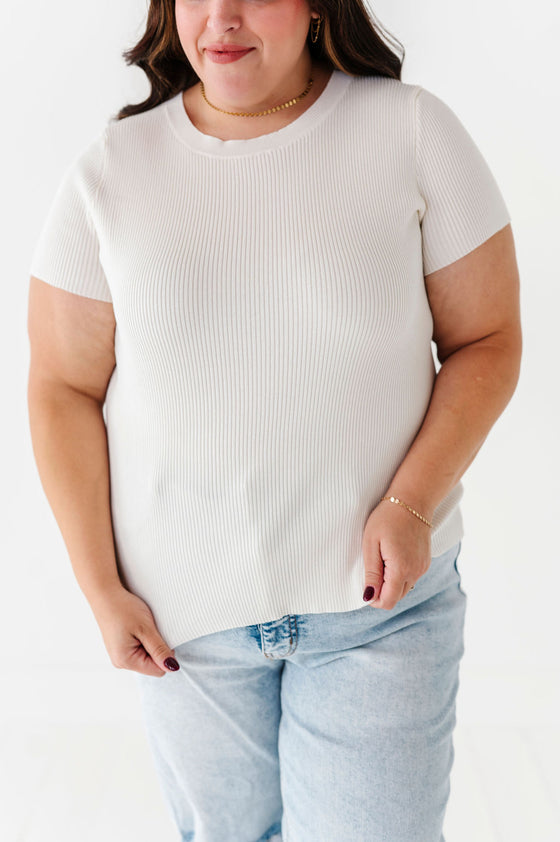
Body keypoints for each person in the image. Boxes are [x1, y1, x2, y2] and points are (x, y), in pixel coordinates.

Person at [26, 0, 522, 840]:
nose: (220, 17)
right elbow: (60, 388)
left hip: (380, 613)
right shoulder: (112, 170)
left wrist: (409, 504)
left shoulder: (409, 131)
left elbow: (487, 338)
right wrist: (99, 587)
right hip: (185, 631)